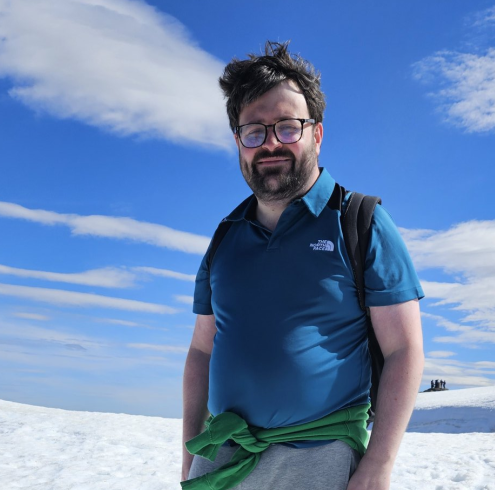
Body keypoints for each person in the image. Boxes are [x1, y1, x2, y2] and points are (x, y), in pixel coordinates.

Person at [182, 41, 425, 490]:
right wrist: (189, 451)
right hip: (224, 456)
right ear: (238, 141)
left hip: (322, 459)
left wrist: (379, 465)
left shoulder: (361, 221)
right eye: (254, 131)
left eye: (287, 127)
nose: (271, 143)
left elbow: (404, 350)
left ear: (316, 133)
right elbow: (201, 351)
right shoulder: (224, 237)